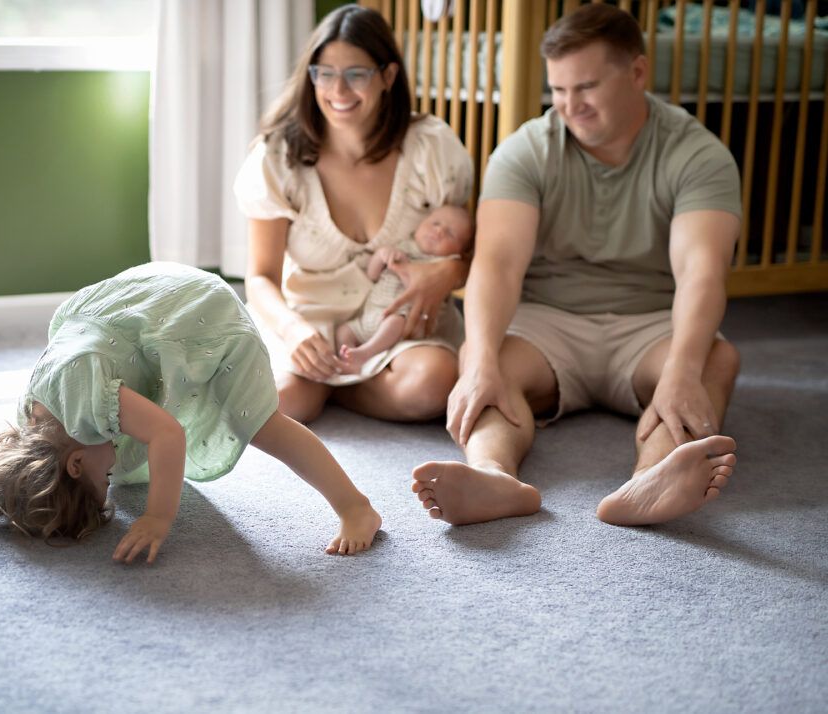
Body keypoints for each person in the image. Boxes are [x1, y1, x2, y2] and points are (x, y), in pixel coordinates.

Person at [412, 4, 741, 527]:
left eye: (585, 87)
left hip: (650, 320)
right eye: (558, 91)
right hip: (548, 320)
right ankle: (494, 477)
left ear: (636, 72)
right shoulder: (524, 152)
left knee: (714, 359)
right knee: (482, 352)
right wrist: (479, 363)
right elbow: (496, 265)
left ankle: (651, 479)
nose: (570, 105)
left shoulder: (698, 155)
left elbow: (702, 271)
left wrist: (681, 368)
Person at [0, 262, 381, 563]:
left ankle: (355, 507)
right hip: (136, 300)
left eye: (102, 480)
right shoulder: (34, 417)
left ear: (76, 463)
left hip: (194, 315)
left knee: (258, 424)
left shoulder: (88, 397)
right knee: (123, 442)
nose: (111, 484)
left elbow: (168, 436)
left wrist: (158, 517)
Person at [234, 4, 474, 424]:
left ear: (388, 76)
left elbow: (472, 245)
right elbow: (259, 277)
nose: (338, 90)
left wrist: (449, 273)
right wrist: (292, 330)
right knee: (285, 402)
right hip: (310, 319)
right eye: (324, 73)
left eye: (356, 74)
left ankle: (338, 389)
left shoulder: (431, 148)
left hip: (398, 326)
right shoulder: (279, 156)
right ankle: (326, 381)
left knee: (433, 384)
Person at [335, 204, 474, 375]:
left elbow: (417, 290)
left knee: (396, 321)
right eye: (435, 223)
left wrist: (404, 268)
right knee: (343, 331)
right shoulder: (403, 245)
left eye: (450, 234)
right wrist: (381, 256)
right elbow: (372, 275)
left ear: (461, 253)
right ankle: (349, 358)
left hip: (405, 324)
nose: (439, 231)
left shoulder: (442, 266)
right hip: (372, 315)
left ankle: (365, 354)